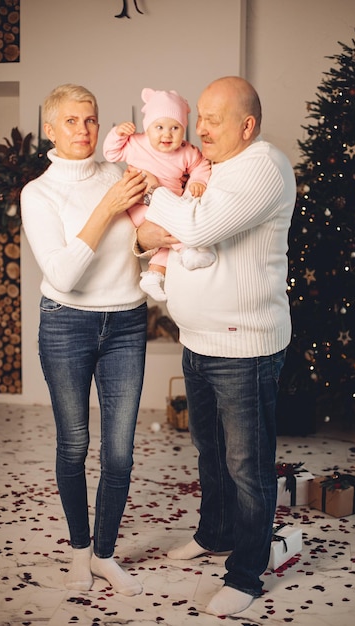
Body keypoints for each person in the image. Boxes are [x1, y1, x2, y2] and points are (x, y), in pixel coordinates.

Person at [135, 76, 296, 616]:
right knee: (211, 454)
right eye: (198, 116)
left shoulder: (263, 167)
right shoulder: (213, 169)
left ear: (247, 126)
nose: (198, 128)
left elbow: (198, 228)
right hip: (199, 341)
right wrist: (165, 215)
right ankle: (215, 533)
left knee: (248, 466)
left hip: (244, 348)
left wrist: (156, 187)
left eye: (213, 118)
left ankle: (247, 575)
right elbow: (163, 233)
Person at [21, 84, 149, 596]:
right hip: (66, 323)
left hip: (127, 323)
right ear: (49, 129)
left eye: (91, 120)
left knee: (120, 453)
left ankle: (104, 555)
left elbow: (140, 244)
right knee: (74, 443)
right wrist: (107, 207)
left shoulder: (122, 173)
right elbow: (65, 274)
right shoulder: (39, 193)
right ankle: (79, 549)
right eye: (71, 122)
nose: (84, 131)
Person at [103, 87, 214, 301]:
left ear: (183, 130)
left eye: (175, 127)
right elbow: (111, 152)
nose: (167, 134)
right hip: (140, 205)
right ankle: (188, 252)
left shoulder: (187, 151)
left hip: (170, 204)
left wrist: (198, 182)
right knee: (171, 228)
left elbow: (201, 165)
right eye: (159, 127)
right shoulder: (137, 143)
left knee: (165, 239)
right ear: (148, 128)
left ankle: (153, 275)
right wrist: (117, 134)